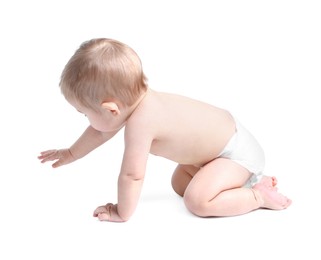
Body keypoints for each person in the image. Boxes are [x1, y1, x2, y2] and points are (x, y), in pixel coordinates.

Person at [38, 38, 291, 222]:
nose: (86, 120)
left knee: (197, 201)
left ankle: (257, 195)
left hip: (236, 154)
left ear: (111, 109)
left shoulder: (142, 122)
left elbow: (132, 176)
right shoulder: (137, 103)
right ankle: (247, 181)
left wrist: (121, 211)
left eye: (85, 113)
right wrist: (71, 153)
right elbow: (101, 131)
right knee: (179, 184)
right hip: (219, 149)